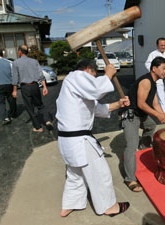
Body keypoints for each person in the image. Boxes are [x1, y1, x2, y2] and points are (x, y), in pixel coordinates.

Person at [56, 59, 130, 217]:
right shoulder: (76, 76)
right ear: (89, 69)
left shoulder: (71, 86)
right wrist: (108, 74)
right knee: (100, 173)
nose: (94, 78)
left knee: (75, 174)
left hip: (67, 140)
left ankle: (69, 204)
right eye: (94, 75)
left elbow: (94, 108)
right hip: (79, 140)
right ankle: (109, 206)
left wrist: (118, 104)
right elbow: (97, 90)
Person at [123, 57, 165, 192]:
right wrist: (158, 115)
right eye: (163, 68)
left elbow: (156, 104)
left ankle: (144, 147)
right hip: (131, 115)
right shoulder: (146, 81)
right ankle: (130, 179)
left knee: (151, 126)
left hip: (141, 115)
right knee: (131, 146)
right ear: (154, 68)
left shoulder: (154, 83)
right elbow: (141, 104)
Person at [12, 45, 53, 133]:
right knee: (40, 105)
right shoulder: (34, 61)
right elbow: (40, 74)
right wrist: (44, 87)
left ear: (19, 52)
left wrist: (14, 90)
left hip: (25, 87)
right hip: (35, 86)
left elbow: (15, 78)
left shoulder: (15, 63)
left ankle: (38, 127)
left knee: (30, 108)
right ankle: (47, 121)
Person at [145, 37, 165, 115]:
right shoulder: (153, 54)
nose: (163, 47)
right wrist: (154, 71)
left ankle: (159, 108)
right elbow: (147, 64)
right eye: (161, 45)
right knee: (161, 97)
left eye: (164, 45)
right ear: (157, 45)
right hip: (158, 79)